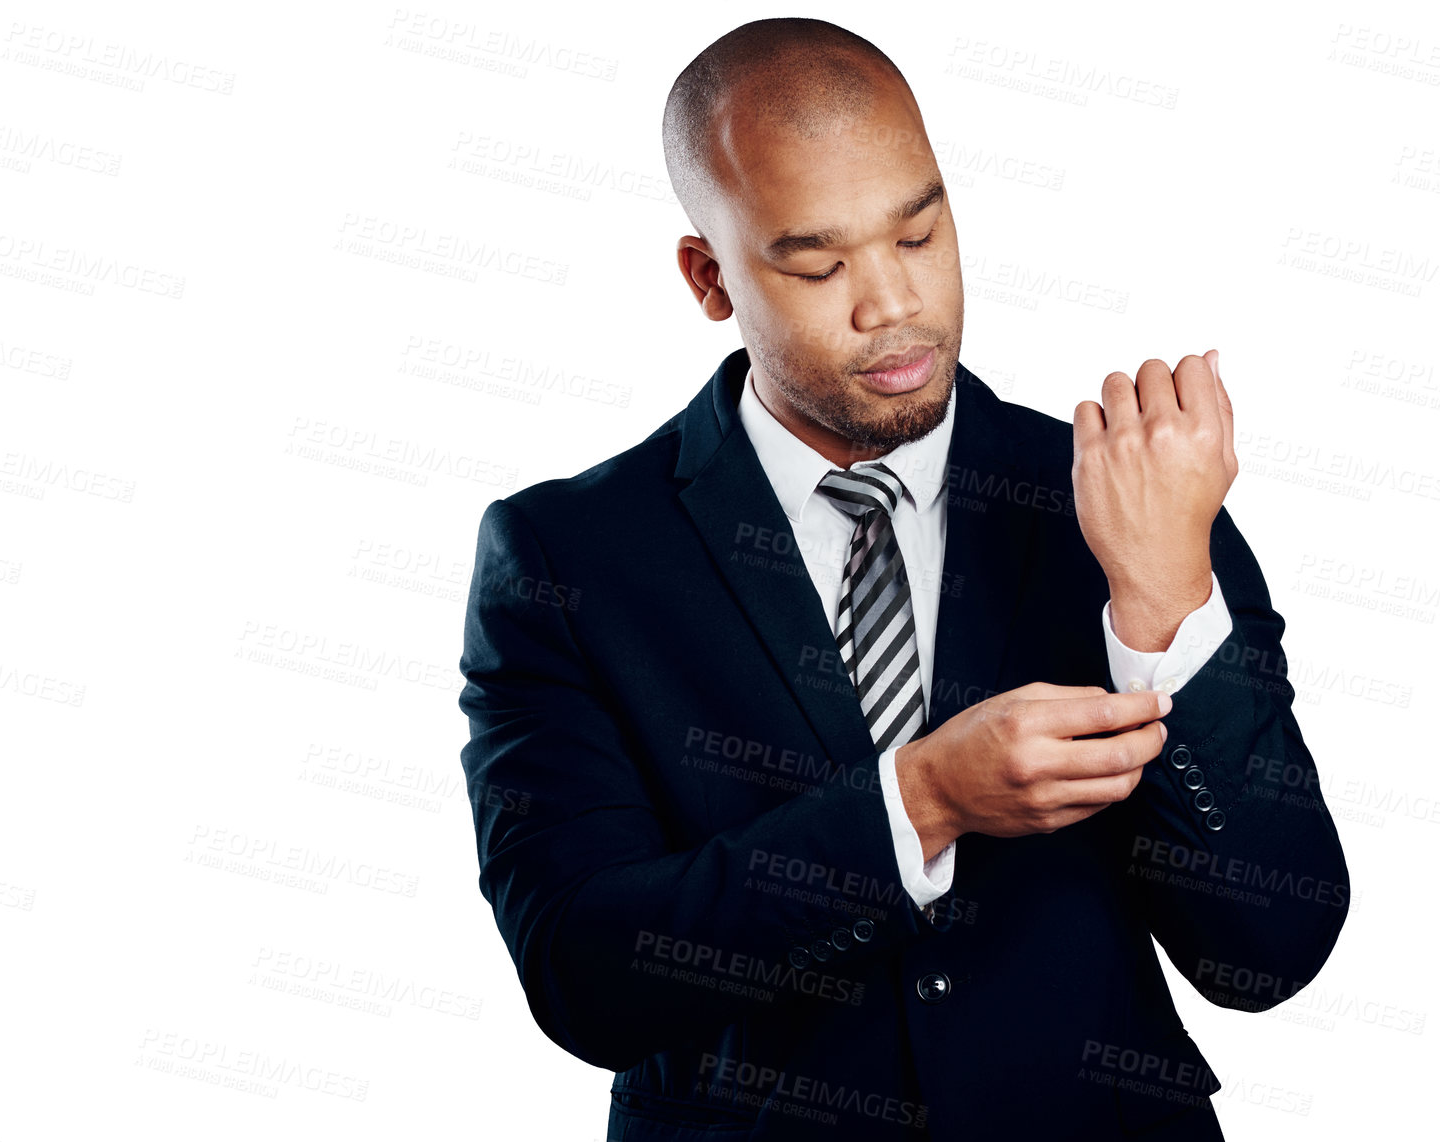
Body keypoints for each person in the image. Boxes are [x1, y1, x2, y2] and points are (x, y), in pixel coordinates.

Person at [456, 17, 1350, 1140]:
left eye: (919, 238)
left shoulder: (1123, 497)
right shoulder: (567, 554)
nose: (891, 309)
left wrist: (1164, 599)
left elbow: (1268, 951)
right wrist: (916, 802)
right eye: (818, 264)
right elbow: (581, 971)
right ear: (708, 275)